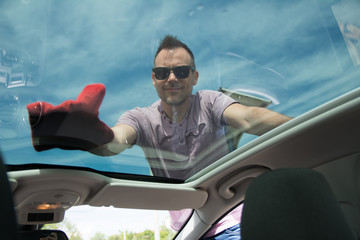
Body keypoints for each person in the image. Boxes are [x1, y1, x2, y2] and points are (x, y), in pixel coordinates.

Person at [27, 35, 291, 239]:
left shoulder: (211, 101)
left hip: (232, 220)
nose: (172, 78)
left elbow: (247, 117)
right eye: (163, 73)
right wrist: (92, 135)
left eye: (182, 71)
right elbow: (118, 140)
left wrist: (306, 126)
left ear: (195, 76)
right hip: (188, 229)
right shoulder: (141, 117)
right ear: (154, 79)